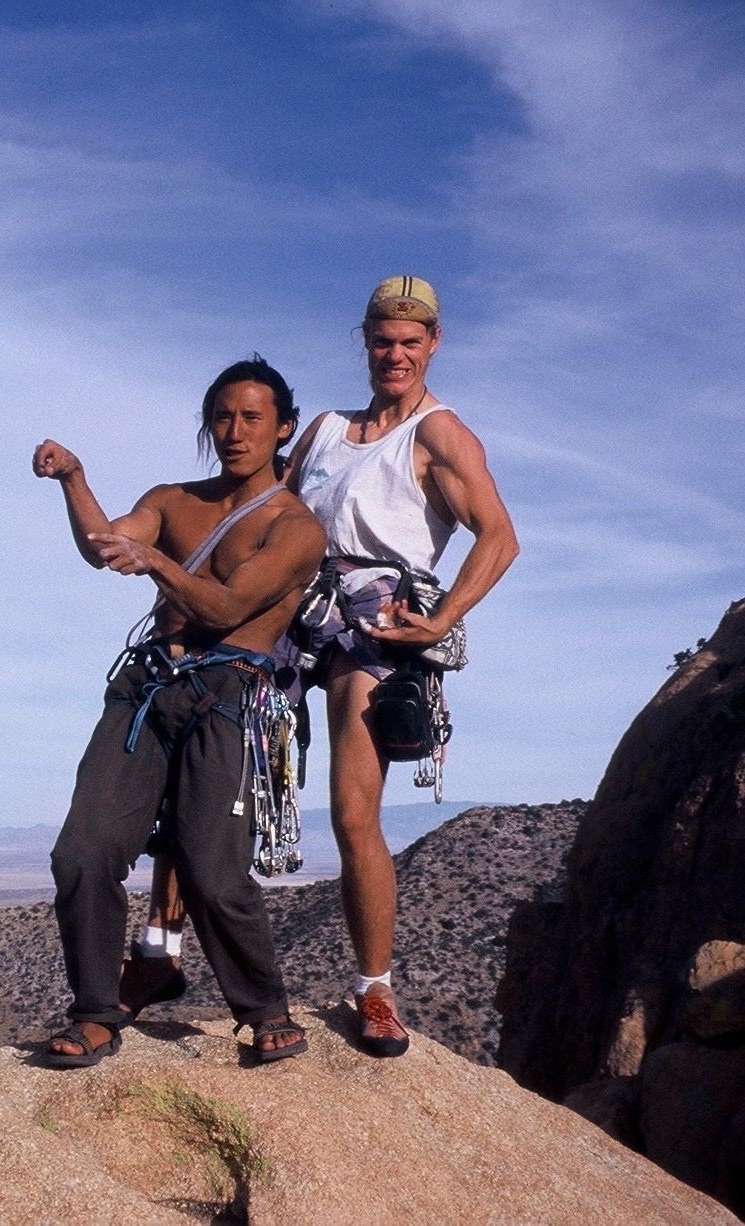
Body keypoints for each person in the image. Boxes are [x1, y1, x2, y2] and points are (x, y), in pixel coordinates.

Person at [121, 277, 519, 1057]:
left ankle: (374, 991)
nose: (394, 354)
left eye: (410, 342)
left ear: (434, 344)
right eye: (382, 340)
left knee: (352, 809)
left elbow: (499, 536)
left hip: (374, 624)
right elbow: (263, 503)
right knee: (197, 761)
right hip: (291, 606)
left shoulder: (441, 435)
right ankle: (160, 954)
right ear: (365, 342)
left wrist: (441, 619)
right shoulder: (329, 429)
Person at [33, 357, 326, 1066]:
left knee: (211, 870)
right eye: (222, 416)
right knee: (82, 852)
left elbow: (227, 606)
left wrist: (160, 564)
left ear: (283, 427)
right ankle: (98, 1013)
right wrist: (76, 479)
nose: (234, 430)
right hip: (146, 693)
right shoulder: (173, 499)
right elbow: (106, 546)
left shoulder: (297, 529)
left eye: (252, 417)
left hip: (229, 699)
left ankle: (263, 1010)